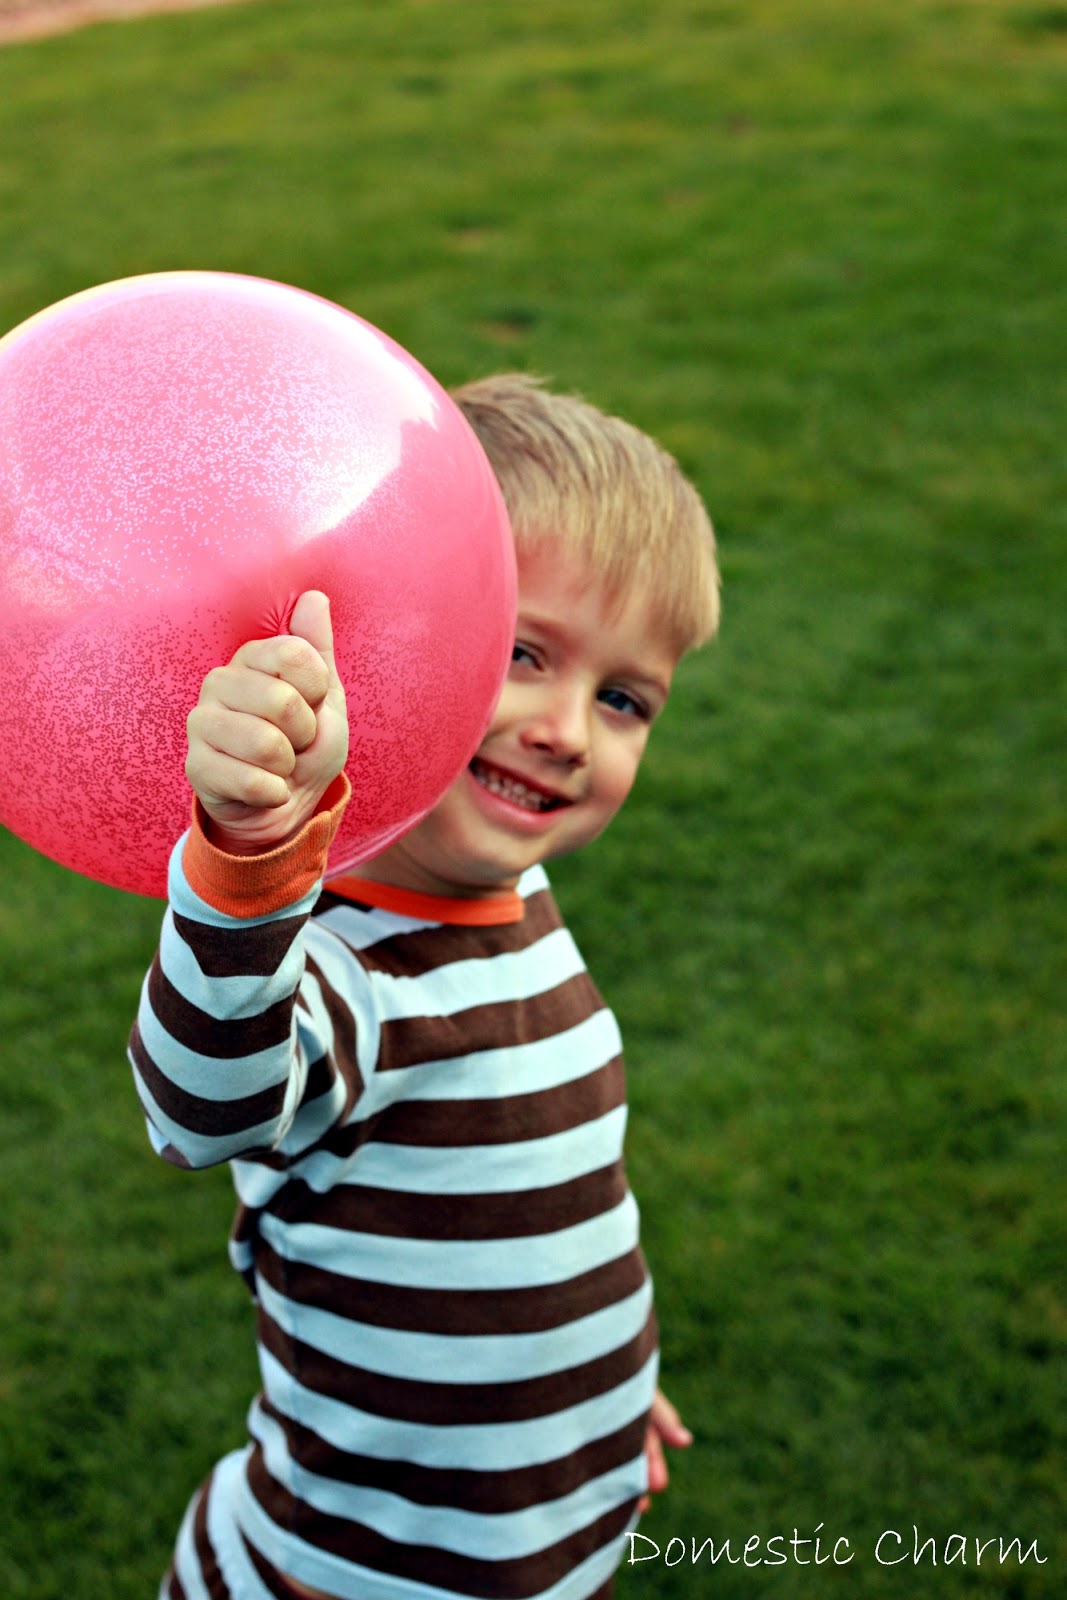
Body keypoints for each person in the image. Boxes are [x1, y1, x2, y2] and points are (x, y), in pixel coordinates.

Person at [129, 373, 721, 1600]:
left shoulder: (521, 909)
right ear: (383, 633)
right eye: (521, 653)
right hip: (354, 1569)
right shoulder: (346, 974)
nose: (566, 727)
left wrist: (592, 1395)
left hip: (536, 1525)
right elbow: (202, 1105)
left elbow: (533, 1211)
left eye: (622, 698)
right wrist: (249, 865)